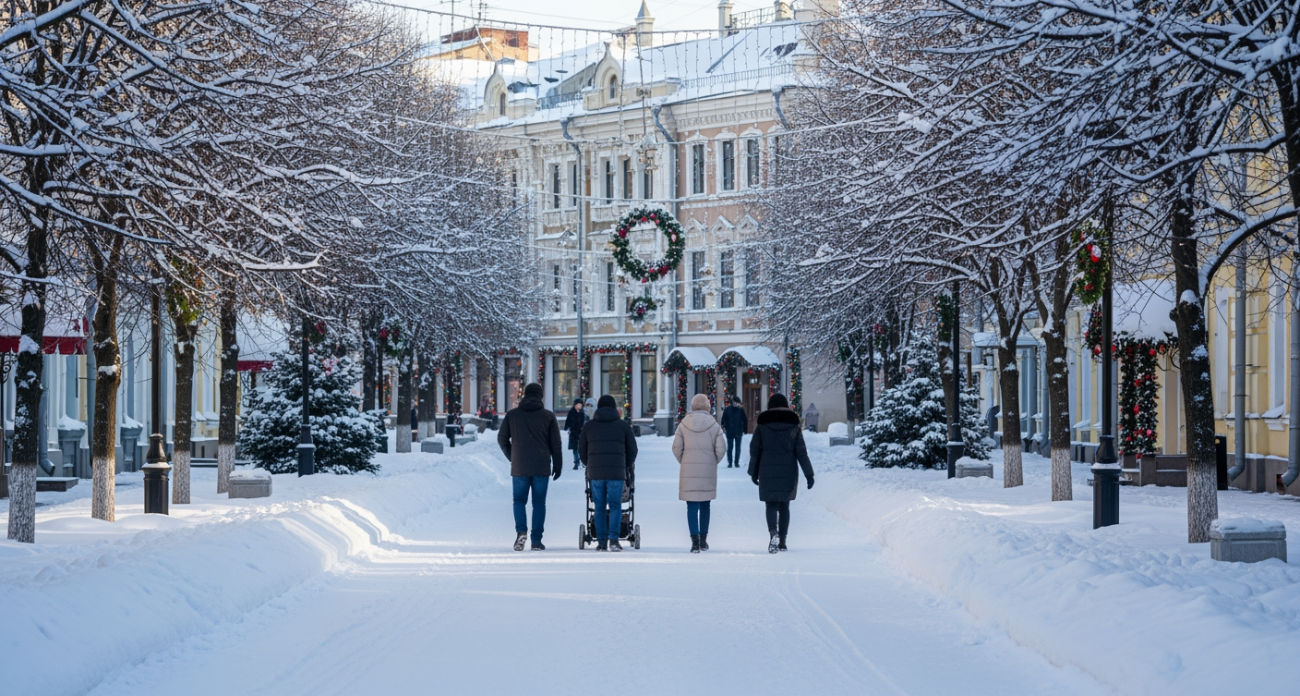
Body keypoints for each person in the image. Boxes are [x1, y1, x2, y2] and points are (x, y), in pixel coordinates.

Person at [497, 383, 563, 551]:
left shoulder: (513, 415)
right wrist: (558, 464)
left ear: (524, 395)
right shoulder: (548, 416)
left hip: (520, 466)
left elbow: (502, 439)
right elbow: (556, 444)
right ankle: (536, 540)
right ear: (541, 396)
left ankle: (521, 532)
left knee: (519, 500)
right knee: (539, 502)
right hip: (541, 466)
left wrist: (512, 456)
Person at [748, 393, 814, 554]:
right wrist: (809, 474)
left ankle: (773, 534)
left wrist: (753, 471)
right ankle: (783, 541)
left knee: (770, 504)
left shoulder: (762, 424)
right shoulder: (793, 425)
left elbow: (754, 449)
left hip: (767, 468)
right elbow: (801, 452)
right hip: (788, 469)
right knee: (784, 504)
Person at [578, 394, 638, 552]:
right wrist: (624, 465)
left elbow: (581, 450)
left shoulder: (589, 426)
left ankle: (602, 542)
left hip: (596, 473)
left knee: (598, 506)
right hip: (616, 472)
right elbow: (633, 450)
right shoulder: (623, 426)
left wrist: (589, 464)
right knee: (615, 505)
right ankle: (613, 539)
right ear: (614, 408)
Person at [673, 394, 726, 553]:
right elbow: (721, 449)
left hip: (688, 469)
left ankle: (694, 542)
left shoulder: (684, 424)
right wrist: (712, 461)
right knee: (705, 504)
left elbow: (676, 448)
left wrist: (685, 460)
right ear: (707, 406)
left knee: (691, 506)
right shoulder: (714, 425)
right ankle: (703, 540)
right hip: (707, 469)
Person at [719, 395, 748, 469]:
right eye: (736, 402)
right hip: (730, 431)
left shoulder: (741, 410)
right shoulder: (728, 410)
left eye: (738, 403)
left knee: (737, 448)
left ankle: (736, 462)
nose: (737, 404)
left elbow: (745, 420)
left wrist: (745, 429)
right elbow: (723, 419)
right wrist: (724, 426)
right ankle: (730, 462)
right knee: (730, 447)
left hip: (738, 431)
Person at [563, 398, 587, 470]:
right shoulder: (571, 412)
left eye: (580, 405)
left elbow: (583, 423)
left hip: (580, 433)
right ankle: (576, 463)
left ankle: (582, 461)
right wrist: (567, 427)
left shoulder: (582, 413)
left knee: (581, 448)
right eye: (577, 405)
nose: (579, 406)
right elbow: (568, 421)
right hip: (573, 433)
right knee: (575, 449)